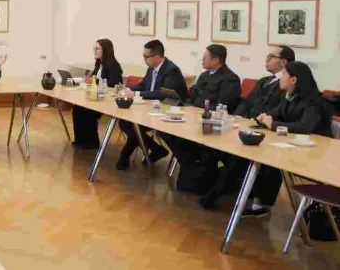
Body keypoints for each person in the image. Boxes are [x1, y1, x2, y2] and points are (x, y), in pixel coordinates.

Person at [198, 46, 295, 209]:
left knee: (237, 155)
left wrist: (259, 120)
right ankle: (227, 183)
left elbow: (280, 111)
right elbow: (247, 102)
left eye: (271, 57)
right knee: (217, 143)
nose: (267, 59)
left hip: (267, 131)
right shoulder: (264, 81)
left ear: (284, 62)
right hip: (248, 125)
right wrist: (237, 117)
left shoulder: (287, 86)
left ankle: (217, 192)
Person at [238, 61, 333, 218]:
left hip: (313, 153)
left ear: (293, 80)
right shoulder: (289, 96)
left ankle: (261, 204)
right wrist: (265, 117)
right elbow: (276, 113)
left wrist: (273, 124)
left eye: (284, 74)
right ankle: (254, 198)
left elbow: (304, 127)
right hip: (294, 145)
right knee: (259, 153)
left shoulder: (313, 101)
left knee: (269, 158)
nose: (280, 77)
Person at [159, 44, 241, 194]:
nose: (202, 60)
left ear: (215, 60)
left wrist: (199, 107)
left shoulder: (230, 79)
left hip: (213, 122)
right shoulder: (204, 76)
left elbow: (224, 105)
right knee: (165, 129)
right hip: (193, 116)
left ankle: (195, 170)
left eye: (205, 57)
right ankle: (189, 165)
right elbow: (192, 97)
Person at [115, 40, 188, 170]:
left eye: (146, 56)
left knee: (134, 125)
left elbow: (162, 93)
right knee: (126, 123)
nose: (144, 59)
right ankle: (155, 148)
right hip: (151, 110)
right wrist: (127, 89)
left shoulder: (171, 70)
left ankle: (125, 156)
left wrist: (136, 94)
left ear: (157, 56)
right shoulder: (152, 68)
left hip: (169, 112)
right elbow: (143, 85)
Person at [71, 39, 123, 149]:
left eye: (98, 49)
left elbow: (112, 84)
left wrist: (94, 80)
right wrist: (89, 79)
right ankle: (80, 140)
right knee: (77, 108)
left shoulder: (113, 65)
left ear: (105, 50)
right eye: (95, 48)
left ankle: (92, 142)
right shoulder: (99, 63)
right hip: (96, 96)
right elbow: (95, 78)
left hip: (107, 99)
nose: (95, 51)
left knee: (87, 112)